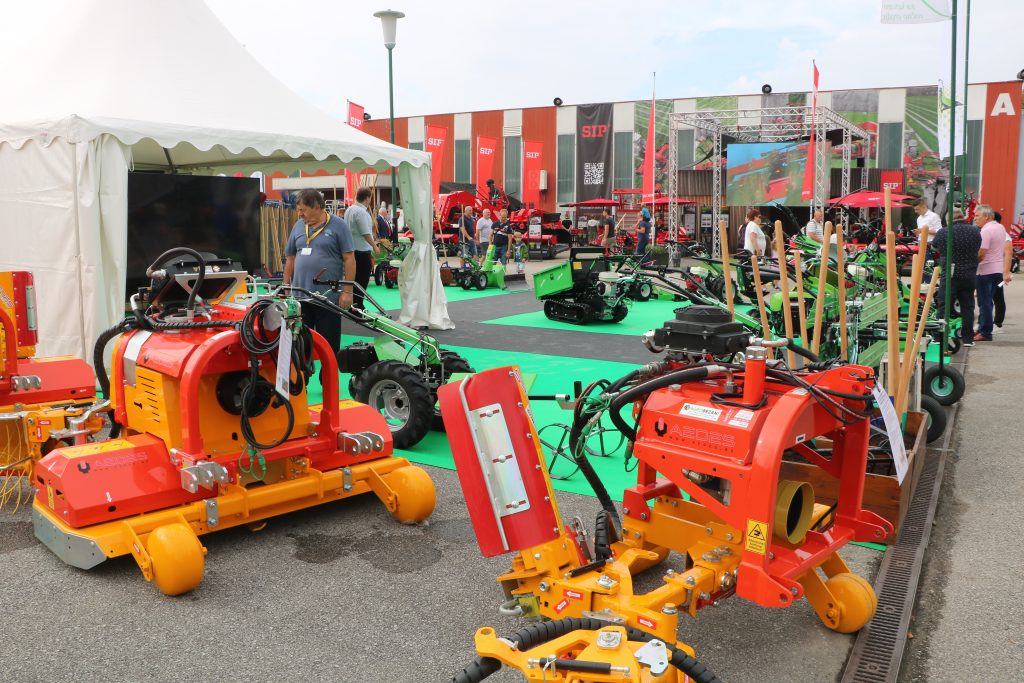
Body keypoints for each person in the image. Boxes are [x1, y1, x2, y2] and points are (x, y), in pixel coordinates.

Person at [283, 188, 355, 356]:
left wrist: (347, 292)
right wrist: (285, 285)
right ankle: (303, 374)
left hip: (328, 298)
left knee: (329, 347)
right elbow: (290, 258)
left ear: (317, 207)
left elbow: (350, 259)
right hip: (300, 298)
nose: (300, 214)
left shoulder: (339, 226)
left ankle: (329, 373)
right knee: (300, 346)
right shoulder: (298, 226)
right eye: (298, 210)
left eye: (303, 210)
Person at [932, 208, 981, 348]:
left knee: (943, 306)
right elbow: (978, 247)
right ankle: (968, 339)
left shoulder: (944, 232)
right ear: (962, 216)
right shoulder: (975, 231)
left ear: (948, 220)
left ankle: (939, 337)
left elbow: (935, 247)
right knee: (968, 307)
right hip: (969, 274)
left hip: (950, 275)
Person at [343, 188, 379, 310]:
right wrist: (374, 246)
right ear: (367, 198)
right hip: (362, 252)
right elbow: (365, 233)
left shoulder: (349, 209)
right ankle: (358, 305)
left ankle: (354, 305)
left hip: (352, 250)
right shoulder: (361, 212)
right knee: (362, 280)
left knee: (354, 279)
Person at [973, 204, 1004, 342]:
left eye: (977, 215)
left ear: (986, 216)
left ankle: (985, 332)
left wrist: (972, 264)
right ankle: (983, 328)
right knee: (988, 301)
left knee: (984, 302)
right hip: (997, 270)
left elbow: (982, 253)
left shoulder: (986, 230)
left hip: (985, 270)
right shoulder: (1000, 227)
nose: (975, 218)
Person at [992, 211, 1013, 333]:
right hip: (989, 270)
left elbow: (1008, 253)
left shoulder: (1004, 235)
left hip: (998, 271)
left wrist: (1005, 273)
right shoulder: (990, 232)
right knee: (986, 298)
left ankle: (997, 324)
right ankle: (985, 323)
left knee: (997, 297)